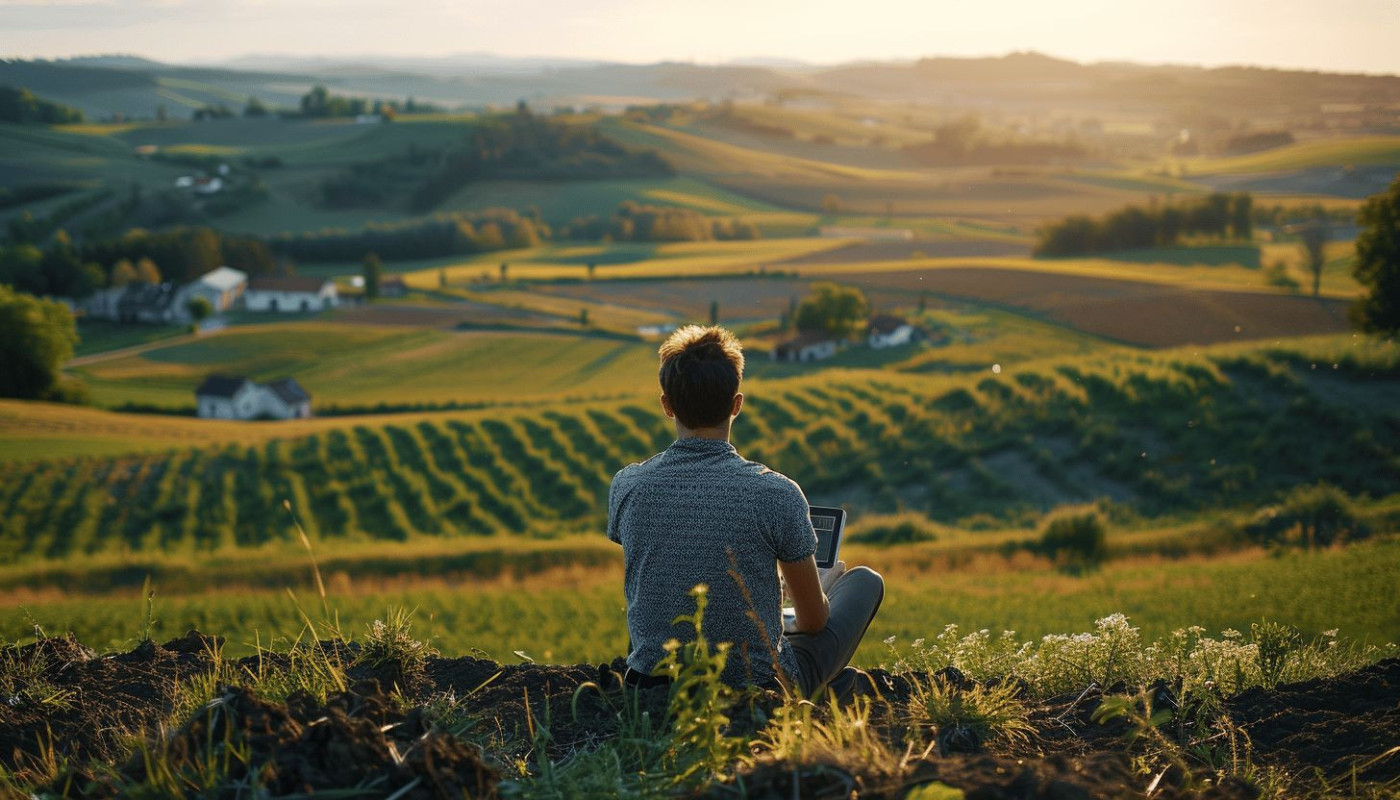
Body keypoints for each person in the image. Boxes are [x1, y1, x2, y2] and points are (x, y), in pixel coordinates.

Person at [606, 324, 884, 696]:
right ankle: (826, 688)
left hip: (650, 686)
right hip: (756, 688)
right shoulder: (776, 493)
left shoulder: (628, 485)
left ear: (667, 405)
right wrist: (820, 591)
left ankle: (837, 686)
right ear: (736, 404)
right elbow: (815, 623)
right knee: (866, 581)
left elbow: (671, 569)